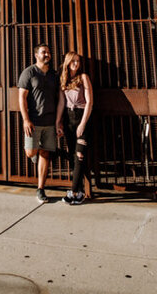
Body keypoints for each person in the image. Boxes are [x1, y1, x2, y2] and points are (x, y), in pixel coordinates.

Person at [18, 43, 59, 203]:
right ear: (36, 55)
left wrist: (58, 121)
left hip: (50, 121)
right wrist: (26, 119)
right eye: (44, 52)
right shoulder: (29, 73)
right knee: (31, 152)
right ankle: (35, 155)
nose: (47, 55)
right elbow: (21, 97)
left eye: (48, 52)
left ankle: (41, 189)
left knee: (45, 153)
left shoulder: (54, 75)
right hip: (33, 121)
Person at [55, 50, 93, 204]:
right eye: (73, 61)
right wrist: (58, 121)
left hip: (82, 117)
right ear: (67, 63)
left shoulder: (83, 77)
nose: (76, 64)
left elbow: (90, 102)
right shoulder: (63, 80)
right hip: (69, 119)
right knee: (74, 157)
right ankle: (80, 191)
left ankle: (74, 192)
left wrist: (83, 124)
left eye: (78, 61)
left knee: (79, 155)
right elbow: (61, 103)